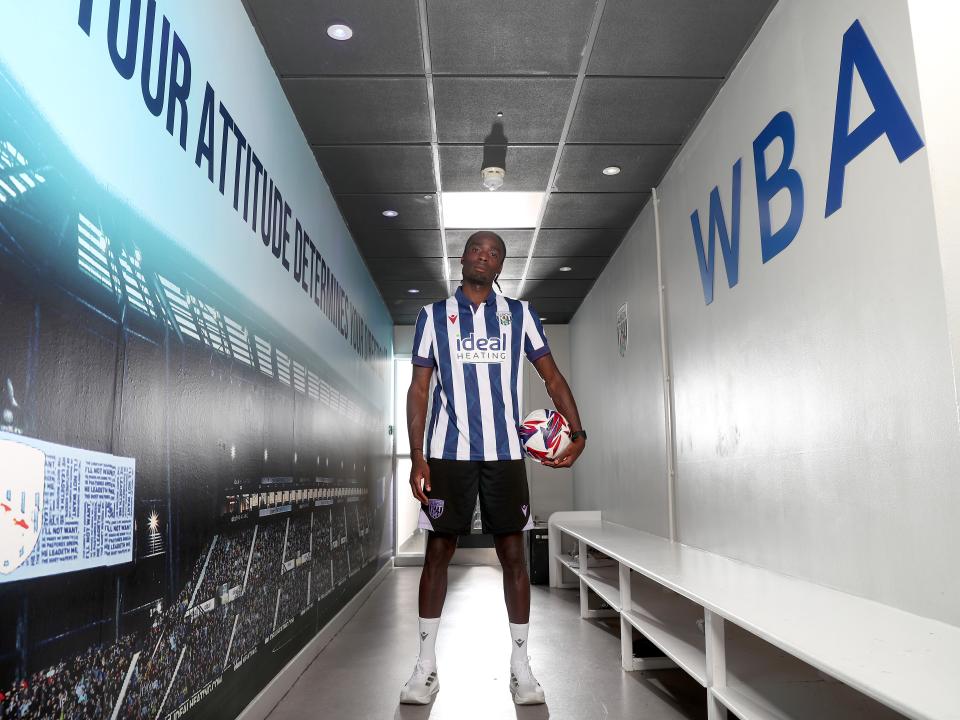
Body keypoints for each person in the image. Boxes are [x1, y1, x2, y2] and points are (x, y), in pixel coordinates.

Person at [399, 230, 587, 705]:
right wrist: (417, 453)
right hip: (446, 454)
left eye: (494, 253)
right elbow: (419, 388)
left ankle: (521, 667)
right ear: (462, 259)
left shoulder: (519, 315)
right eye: (476, 250)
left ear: (501, 266)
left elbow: (551, 376)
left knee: (514, 556)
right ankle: (425, 668)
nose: (484, 258)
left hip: (505, 455)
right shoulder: (432, 316)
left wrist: (578, 431)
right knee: (437, 553)